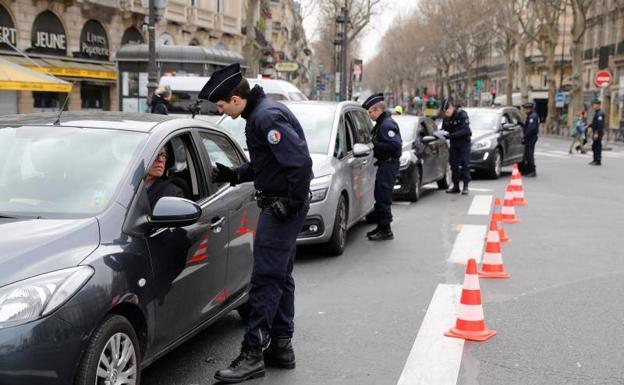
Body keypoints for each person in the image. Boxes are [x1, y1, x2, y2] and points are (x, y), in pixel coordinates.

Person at [198, 63, 313, 383]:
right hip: (281, 205)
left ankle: (251, 355)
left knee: (264, 279)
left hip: (281, 210)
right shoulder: (262, 113)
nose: (219, 110)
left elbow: (300, 163)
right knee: (280, 276)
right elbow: (269, 163)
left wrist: (290, 204)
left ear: (236, 99)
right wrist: (235, 174)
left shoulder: (265, 117)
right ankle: (281, 346)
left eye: (221, 104)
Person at [363, 93, 402, 241]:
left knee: (383, 197)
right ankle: (381, 226)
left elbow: (395, 145)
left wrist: (375, 145)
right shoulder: (382, 122)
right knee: (379, 195)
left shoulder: (387, 124)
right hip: (385, 163)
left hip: (389, 164)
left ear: (377, 109)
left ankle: (386, 230)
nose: (369, 114)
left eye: (370, 112)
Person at [436, 99, 472, 194]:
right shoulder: (446, 118)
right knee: (453, 164)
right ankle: (456, 186)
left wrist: (450, 135)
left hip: (464, 143)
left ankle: (465, 186)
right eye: (444, 112)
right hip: (454, 144)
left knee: (465, 164)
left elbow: (466, 131)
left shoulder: (461, 114)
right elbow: (443, 129)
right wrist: (437, 134)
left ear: (451, 108)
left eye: (447, 111)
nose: (446, 114)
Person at [521, 102, 539, 177]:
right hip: (530, 137)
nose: (524, 110)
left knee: (529, 154)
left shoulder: (533, 116)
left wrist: (525, 136)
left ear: (529, 109)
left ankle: (532, 170)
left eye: (525, 109)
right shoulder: (531, 116)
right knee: (527, 154)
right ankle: (528, 170)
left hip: (531, 138)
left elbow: (531, 129)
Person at [588, 100, 605, 166]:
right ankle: (595, 160)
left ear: (598, 105)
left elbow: (600, 124)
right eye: (593, 105)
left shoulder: (600, 113)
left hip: (598, 133)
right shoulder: (597, 113)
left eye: (594, 105)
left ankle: (598, 161)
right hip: (595, 132)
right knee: (594, 146)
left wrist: (596, 133)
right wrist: (588, 125)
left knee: (597, 146)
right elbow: (594, 123)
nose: (593, 106)